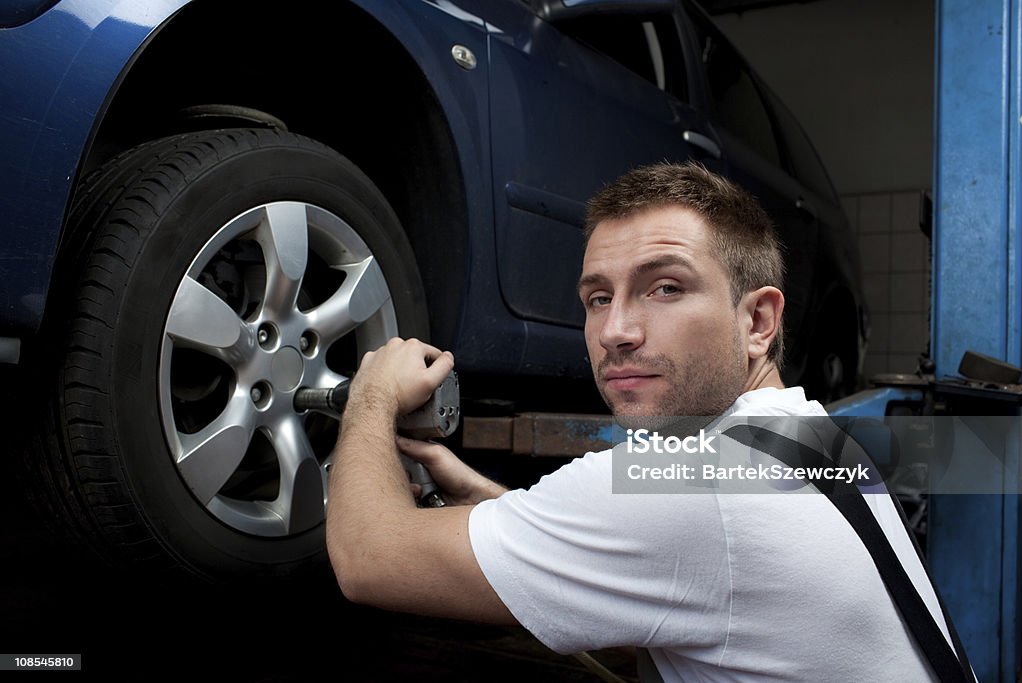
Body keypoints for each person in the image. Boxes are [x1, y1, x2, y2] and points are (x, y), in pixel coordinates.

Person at [325, 161, 966, 681]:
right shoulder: (810, 436)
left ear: (758, 323)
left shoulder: (686, 487)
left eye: (665, 288)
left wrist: (373, 395)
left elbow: (367, 561)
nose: (615, 332)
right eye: (598, 298)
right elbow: (681, 561)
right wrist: (499, 506)